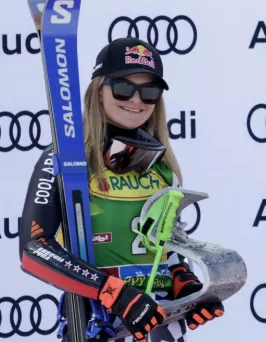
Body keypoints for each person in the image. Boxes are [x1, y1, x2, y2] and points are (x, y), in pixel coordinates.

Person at [18, 37, 224, 342]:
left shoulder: (163, 165)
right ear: (99, 90)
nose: (137, 100)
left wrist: (187, 288)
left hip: (160, 326)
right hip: (101, 325)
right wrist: (113, 292)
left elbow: (166, 248)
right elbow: (33, 250)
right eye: (124, 88)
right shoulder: (64, 159)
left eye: (150, 92)